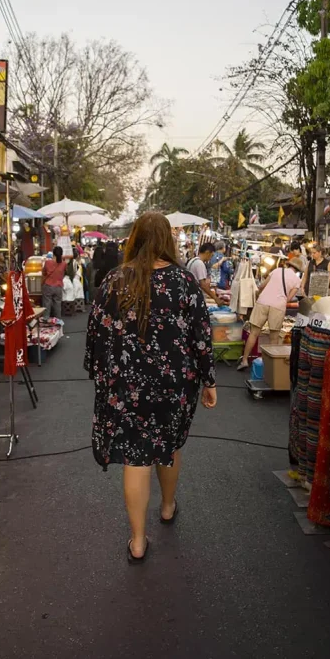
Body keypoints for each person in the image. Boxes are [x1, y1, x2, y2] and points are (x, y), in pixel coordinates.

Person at [84, 212, 217, 562]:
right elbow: (201, 335)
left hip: (125, 386)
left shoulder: (114, 279)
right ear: (167, 241)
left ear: (135, 238)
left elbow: (95, 333)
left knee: (135, 457)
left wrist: (99, 374)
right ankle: (168, 506)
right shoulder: (184, 281)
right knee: (168, 445)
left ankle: (138, 541)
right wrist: (209, 380)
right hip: (174, 384)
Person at [237, 259, 303, 370]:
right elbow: (289, 299)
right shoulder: (297, 280)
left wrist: (258, 294)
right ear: (298, 270)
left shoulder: (277, 271)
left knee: (254, 333)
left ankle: (244, 360)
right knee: (274, 337)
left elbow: (262, 286)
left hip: (263, 302)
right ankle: (270, 367)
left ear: (288, 265)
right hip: (278, 306)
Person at [41, 246, 67, 321]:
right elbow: (64, 273)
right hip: (58, 286)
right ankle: (58, 320)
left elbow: (44, 273)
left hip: (48, 285)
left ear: (53, 254)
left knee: (47, 303)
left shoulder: (47, 262)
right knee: (57, 304)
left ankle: (46, 318)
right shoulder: (64, 264)